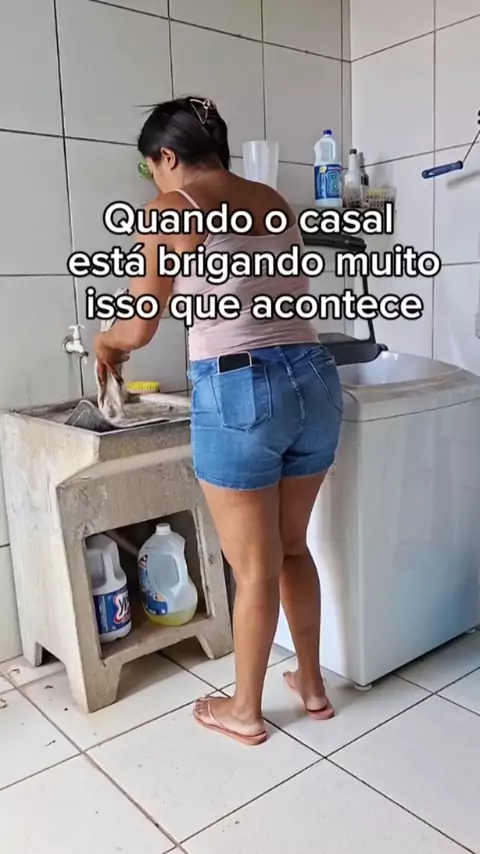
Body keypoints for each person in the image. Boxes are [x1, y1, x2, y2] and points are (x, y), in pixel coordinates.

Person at [95, 96, 343, 746]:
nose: (154, 179)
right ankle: (311, 684)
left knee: (254, 566)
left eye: (152, 166)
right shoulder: (272, 199)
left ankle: (245, 711)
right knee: (292, 548)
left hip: (241, 387)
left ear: (167, 156)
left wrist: (106, 343)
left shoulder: (171, 208)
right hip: (315, 380)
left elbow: (141, 324)